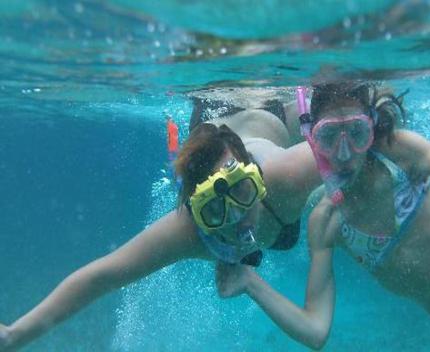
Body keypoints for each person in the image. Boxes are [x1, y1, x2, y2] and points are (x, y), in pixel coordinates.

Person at [0, 89, 320, 351]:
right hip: (211, 128)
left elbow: (355, 151)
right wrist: (14, 335)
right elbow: (103, 276)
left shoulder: (286, 176)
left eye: (243, 191)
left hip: (265, 114)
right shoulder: (188, 231)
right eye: (214, 210)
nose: (236, 217)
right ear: (196, 211)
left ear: (258, 180)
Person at [216, 81, 430, 351]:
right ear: (312, 138)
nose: (344, 153)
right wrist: (251, 283)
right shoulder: (327, 221)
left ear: (372, 129)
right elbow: (315, 331)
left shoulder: (398, 153)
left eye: (357, 132)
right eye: (328, 136)